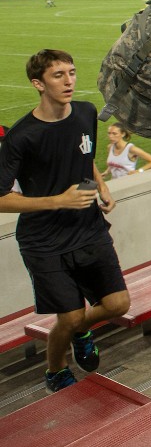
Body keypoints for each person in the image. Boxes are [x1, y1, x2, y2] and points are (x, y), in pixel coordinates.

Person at [0, 50, 130, 393]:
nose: (69, 80)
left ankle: (80, 332)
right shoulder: (21, 137)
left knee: (118, 304)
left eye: (71, 72)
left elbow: (83, 156)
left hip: (88, 229)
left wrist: (102, 186)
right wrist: (57, 201)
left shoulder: (87, 113)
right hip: (44, 241)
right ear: (38, 84)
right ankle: (56, 371)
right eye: (58, 75)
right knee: (69, 317)